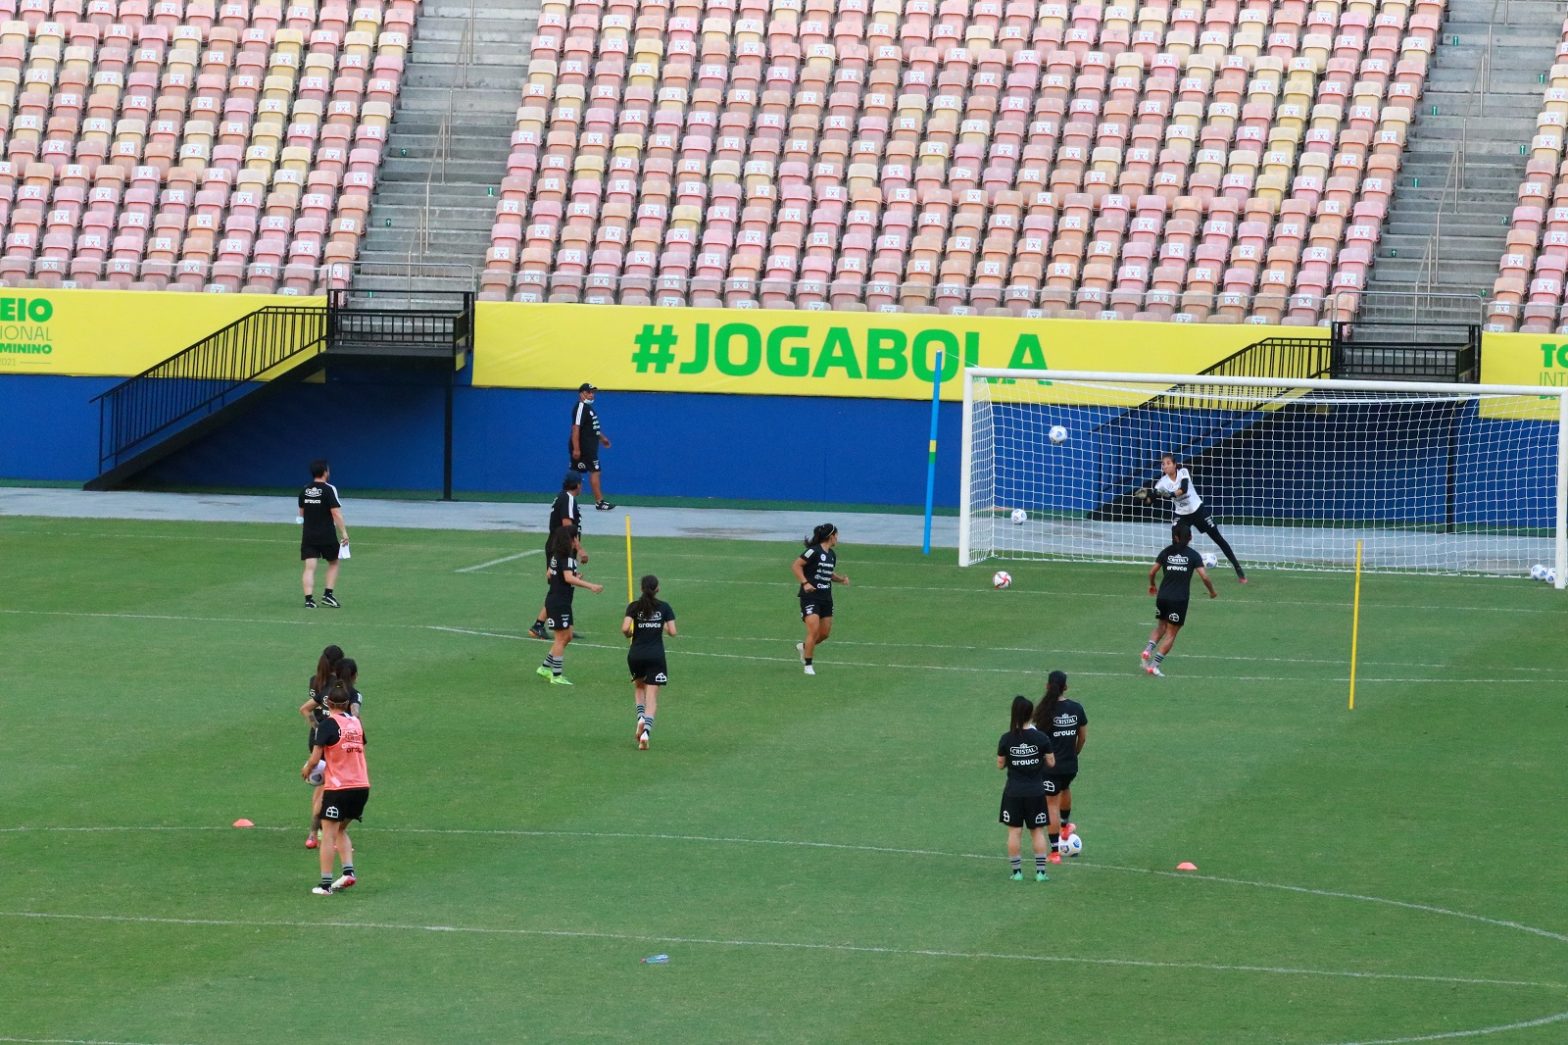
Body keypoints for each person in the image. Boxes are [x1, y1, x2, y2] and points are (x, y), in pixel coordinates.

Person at [301, 680, 369, 895]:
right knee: (340, 829)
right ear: (347, 703)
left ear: (328, 703)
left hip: (339, 788)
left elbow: (315, 758)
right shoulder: (356, 723)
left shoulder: (328, 725)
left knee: (328, 834)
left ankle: (325, 885)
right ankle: (348, 872)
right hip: (362, 786)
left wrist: (307, 770)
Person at [1137, 453, 1245, 582]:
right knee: (1175, 543)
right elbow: (1150, 501)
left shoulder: (1183, 472)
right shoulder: (1161, 483)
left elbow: (1183, 489)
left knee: (1218, 538)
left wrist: (1170, 494)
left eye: (1168, 463)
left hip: (1197, 510)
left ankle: (1238, 569)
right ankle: (1171, 574)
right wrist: (1143, 498)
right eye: (1163, 464)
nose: (1165, 466)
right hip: (1181, 515)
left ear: (1174, 465)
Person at [1030, 670, 1088, 864]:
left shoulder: (1044, 710)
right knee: (1065, 788)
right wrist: (1074, 753)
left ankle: (1055, 852)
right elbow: (1082, 737)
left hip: (1050, 767)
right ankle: (1065, 826)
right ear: (1066, 687)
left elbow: (1038, 740)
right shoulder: (1077, 708)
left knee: (1051, 805)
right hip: (1070, 765)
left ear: (1047, 686)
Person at [1143, 528, 1217, 677]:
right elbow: (1204, 577)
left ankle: (1147, 650)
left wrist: (1152, 585)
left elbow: (1152, 572)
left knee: (1161, 626)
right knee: (1171, 634)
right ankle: (1154, 666)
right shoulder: (1193, 555)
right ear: (1190, 537)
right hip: (1179, 600)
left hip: (1162, 597)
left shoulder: (1167, 552)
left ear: (1176, 537)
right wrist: (1212, 591)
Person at [997, 694, 1054, 882]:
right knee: (1037, 831)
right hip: (1035, 791)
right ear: (1031, 714)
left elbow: (1000, 764)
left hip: (1013, 791)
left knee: (1014, 832)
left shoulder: (1006, 739)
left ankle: (1017, 873)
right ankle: (1040, 873)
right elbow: (1051, 762)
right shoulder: (1041, 738)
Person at [538, 522, 603, 685]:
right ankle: (556, 675)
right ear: (570, 540)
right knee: (560, 639)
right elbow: (567, 578)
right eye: (576, 538)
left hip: (561, 601)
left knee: (567, 636)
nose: (577, 541)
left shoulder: (557, 556)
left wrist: (572, 577)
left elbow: (549, 574)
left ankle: (545, 667)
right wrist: (591, 586)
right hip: (558, 602)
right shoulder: (566, 558)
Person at [622, 574, 677, 750]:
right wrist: (661, 624)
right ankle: (645, 732)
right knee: (652, 696)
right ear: (657, 589)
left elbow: (625, 628)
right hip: (656, 656)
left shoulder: (634, 606)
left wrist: (630, 634)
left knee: (639, 687)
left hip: (636, 654)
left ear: (641, 589)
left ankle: (640, 718)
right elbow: (673, 632)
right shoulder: (664, 607)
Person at [530, 473, 586, 641]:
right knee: (559, 587)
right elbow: (567, 526)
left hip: (561, 547)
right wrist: (579, 549)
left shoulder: (562, 497)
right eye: (581, 483)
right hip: (561, 548)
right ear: (577, 485)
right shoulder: (568, 498)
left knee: (565, 587)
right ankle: (538, 625)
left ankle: (564, 625)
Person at [298, 644, 344, 850]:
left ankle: (315, 832)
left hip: (317, 738)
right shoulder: (340, 686)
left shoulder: (315, 681)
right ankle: (321, 830)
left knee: (321, 786)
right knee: (329, 786)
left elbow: (310, 708)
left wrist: (317, 728)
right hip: (333, 738)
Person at [792, 523, 850, 676]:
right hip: (810, 597)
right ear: (831, 536)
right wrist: (805, 583)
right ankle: (808, 665)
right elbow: (796, 566)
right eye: (837, 535)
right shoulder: (813, 551)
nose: (838, 538)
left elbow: (828, 573)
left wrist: (841, 579)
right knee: (813, 630)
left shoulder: (832, 555)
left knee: (824, 634)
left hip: (826, 598)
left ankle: (804, 647)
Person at [298, 459, 349, 608]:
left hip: (308, 535)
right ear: (325, 472)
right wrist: (344, 533)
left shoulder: (305, 490)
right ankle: (328, 594)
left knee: (309, 567)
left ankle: (309, 600)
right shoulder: (329, 489)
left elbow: (301, 513)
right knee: (334, 562)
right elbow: (336, 513)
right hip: (326, 534)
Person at [569, 382, 615, 511]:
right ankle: (599, 502)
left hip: (589, 447)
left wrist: (602, 439)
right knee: (594, 472)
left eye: (592, 392)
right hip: (584, 448)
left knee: (576, 474)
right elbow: (576, 428)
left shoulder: (588, 408)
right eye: (588, 392)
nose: (591, 394)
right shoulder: (580, 407)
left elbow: (592, 428)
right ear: (581, 394)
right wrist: (576, 448)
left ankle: (567, 501)